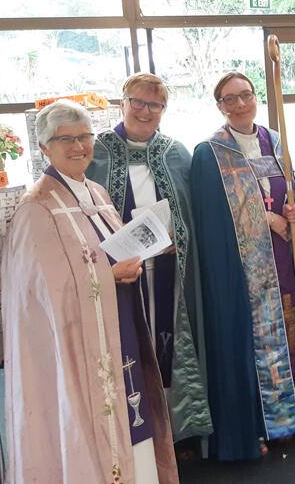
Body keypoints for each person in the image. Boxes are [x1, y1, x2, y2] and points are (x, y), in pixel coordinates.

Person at [3, 100, 179, 484]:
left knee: (133, 418)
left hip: (121, 332)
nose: (80, 146)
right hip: (78, 349)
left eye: (84, 136)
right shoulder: (38, 207)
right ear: (45, 146)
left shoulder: (96, 193)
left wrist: (147, 247)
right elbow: (41, 294)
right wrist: (107, 274)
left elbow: (110, 248)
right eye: (66, 139)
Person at [86, 73, 213, 452]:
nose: (145, 110)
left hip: (170, 272)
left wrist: (181, 237)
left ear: (163, 110)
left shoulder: (176, 154)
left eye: (154, 104)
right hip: (121, 274)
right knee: (127, 347)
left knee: (168, 346)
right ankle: (133, 435)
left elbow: (196, 213)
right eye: (137, 102)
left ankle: (174, 430)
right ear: (121, 103)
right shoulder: (96, 152)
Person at [191, 71, 295, 461]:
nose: (240, 104)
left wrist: (291, 212)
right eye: (230, 99)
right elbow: (213, 219)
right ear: (220, 106)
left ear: (256, 97)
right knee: (248, 343)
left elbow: (287, 192)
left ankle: (286, 422)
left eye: (246, 95)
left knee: (288, 337)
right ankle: (253, 426)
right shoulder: (210, 153)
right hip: (240, 269)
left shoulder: (276, 142)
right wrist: (267, 219)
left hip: (280, 261)